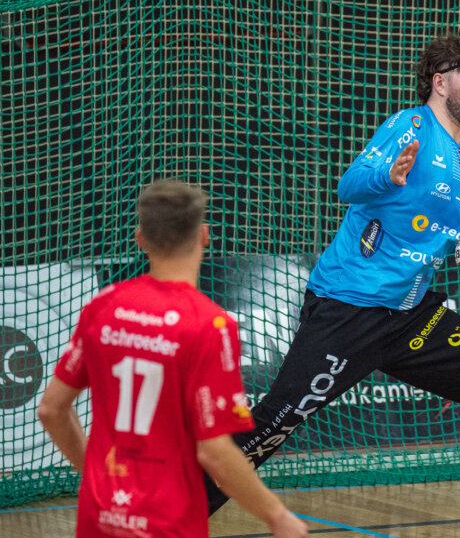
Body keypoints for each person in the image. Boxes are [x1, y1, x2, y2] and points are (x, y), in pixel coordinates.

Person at [204, 30, 460, 538]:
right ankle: (176, 514)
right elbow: (348, 186)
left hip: (412, 318)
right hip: (348, 309)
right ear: (440, 82)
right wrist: (388, 176)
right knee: (277, 421)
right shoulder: (409, 127)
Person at [38, 180, 307, 538]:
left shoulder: (103, 307)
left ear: (140, 238)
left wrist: (94, 473)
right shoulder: (209, 325)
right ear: (204, 234)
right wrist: (277, 516)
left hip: (101, 513)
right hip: (168, 521)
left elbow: (51, 410)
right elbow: (215, 453)